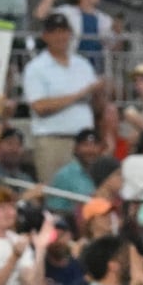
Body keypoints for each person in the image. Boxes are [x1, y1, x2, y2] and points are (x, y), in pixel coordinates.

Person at [22, 13, 100, 183]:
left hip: (84, 142)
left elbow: (96, 103)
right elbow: (39, 106)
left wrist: (101, 92)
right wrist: (78, 95)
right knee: (53, 193)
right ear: (45, 36)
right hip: (52, 140)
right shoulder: (36, 68)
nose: (60, 36)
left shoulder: (83, 64)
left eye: (64, 31)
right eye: (54, 32)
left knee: (86, 194)